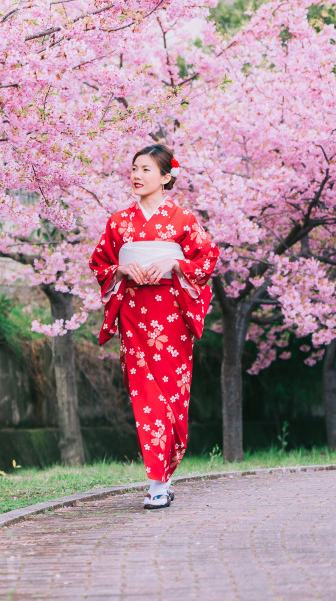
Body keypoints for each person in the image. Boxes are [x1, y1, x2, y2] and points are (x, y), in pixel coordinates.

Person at [89, 144, 219, 509]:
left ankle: (165, 472)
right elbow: (100, 262)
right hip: (134, 312)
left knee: (172, 396)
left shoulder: (183, 219)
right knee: (144, 394)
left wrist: (175, 265)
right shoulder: (118, 221)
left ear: (165, 177)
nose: (136, 175)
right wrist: (121, 269)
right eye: (134, 168)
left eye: (146, 169)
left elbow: (206, 258)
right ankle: (157, 483)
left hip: (171, 314)